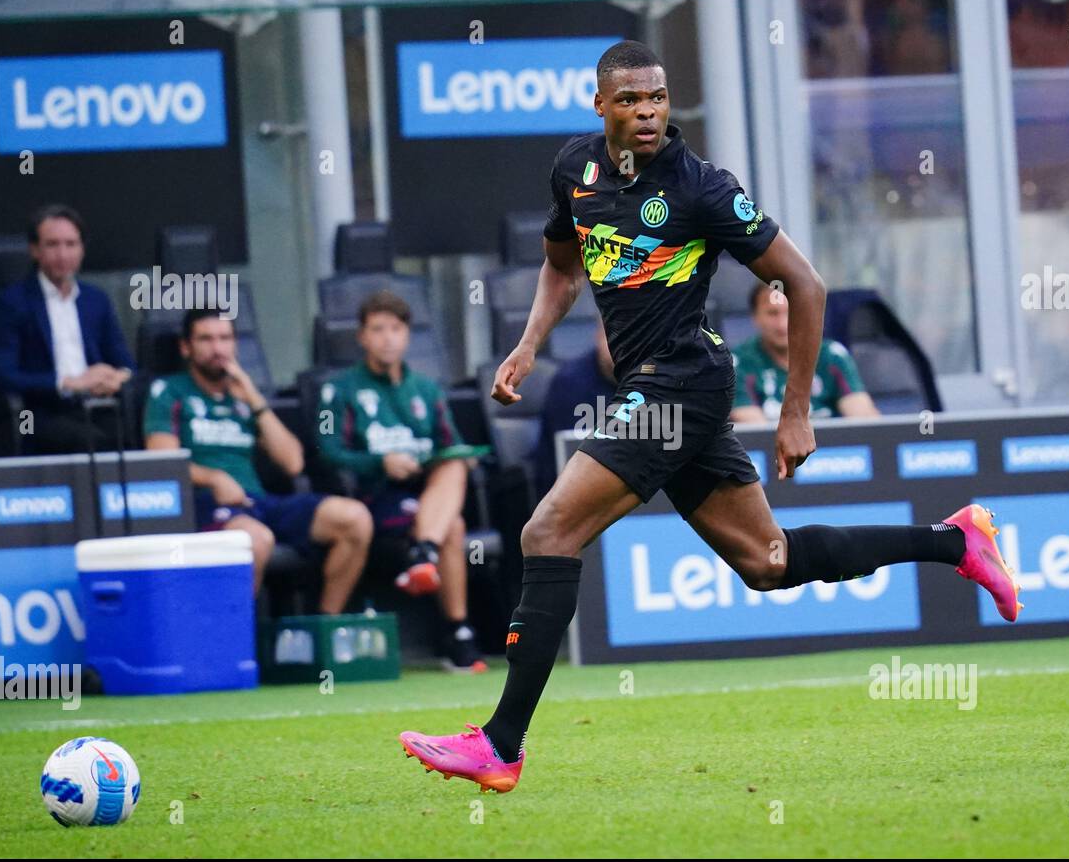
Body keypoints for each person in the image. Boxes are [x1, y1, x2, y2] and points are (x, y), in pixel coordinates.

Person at [398, 41, 1023, 794]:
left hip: (681, 386)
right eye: (630, 100)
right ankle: (955, 541)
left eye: (658, 98)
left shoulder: (702, 189)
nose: (649, 113)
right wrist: (528, 346)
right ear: (601, 107)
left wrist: (797, 411)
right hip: (662, 388)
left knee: (546, 532)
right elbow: (563, 265)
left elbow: (805, 282)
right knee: (769, 563)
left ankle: (501, 745)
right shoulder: (575, 170)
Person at [144, 308, 372, 615]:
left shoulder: (244, 397)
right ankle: (233, 647)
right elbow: (161, 461)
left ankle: (323, 630)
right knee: (253, 540)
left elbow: (292, 463)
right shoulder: (170, 392)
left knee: (354, 518)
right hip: (203, 505)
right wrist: (213, 478)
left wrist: (254, 400)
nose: (217, 348)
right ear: (186, 348)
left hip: (258, 503)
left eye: (225, 339)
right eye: (206, 339)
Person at [315, 290, 487, 673]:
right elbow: (328, 452)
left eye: (395, 328)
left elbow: (452, 444)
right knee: (453, 526)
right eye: (377, 329)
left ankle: (423, 554)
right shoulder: (340, 389)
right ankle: (458, 634)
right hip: (372, 497)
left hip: (424, 492)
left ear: (407, 335)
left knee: (456, 464)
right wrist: (381, 462)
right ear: (362, 337)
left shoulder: (426, 389)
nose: (388, 337)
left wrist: (465, 459)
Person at [0, 204, 136, 454]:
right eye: (52, 244)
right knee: (91, 440)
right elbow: (1, 375)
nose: (63, 255)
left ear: (82, 249)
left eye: (71, 244)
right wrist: (67, 383)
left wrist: (117, 377)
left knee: (136, 431)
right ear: (34, 250)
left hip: (97, 404)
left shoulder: (96, 300)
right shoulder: (11, 303)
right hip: (38, 413)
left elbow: (126, 363)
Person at [731, 281, 880, 423]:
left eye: (791, 312)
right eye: (773, 313)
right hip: (774, 448)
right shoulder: (739, 362)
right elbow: (755, 433)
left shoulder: (831, 355)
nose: (783, 324)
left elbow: (865, 421)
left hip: (832, 448)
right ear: (755, 317)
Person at [532, 314, 617, 496]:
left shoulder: (655, 377)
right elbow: (572, 460)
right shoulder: (569, 383)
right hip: (574, 493)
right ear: (598, 336)